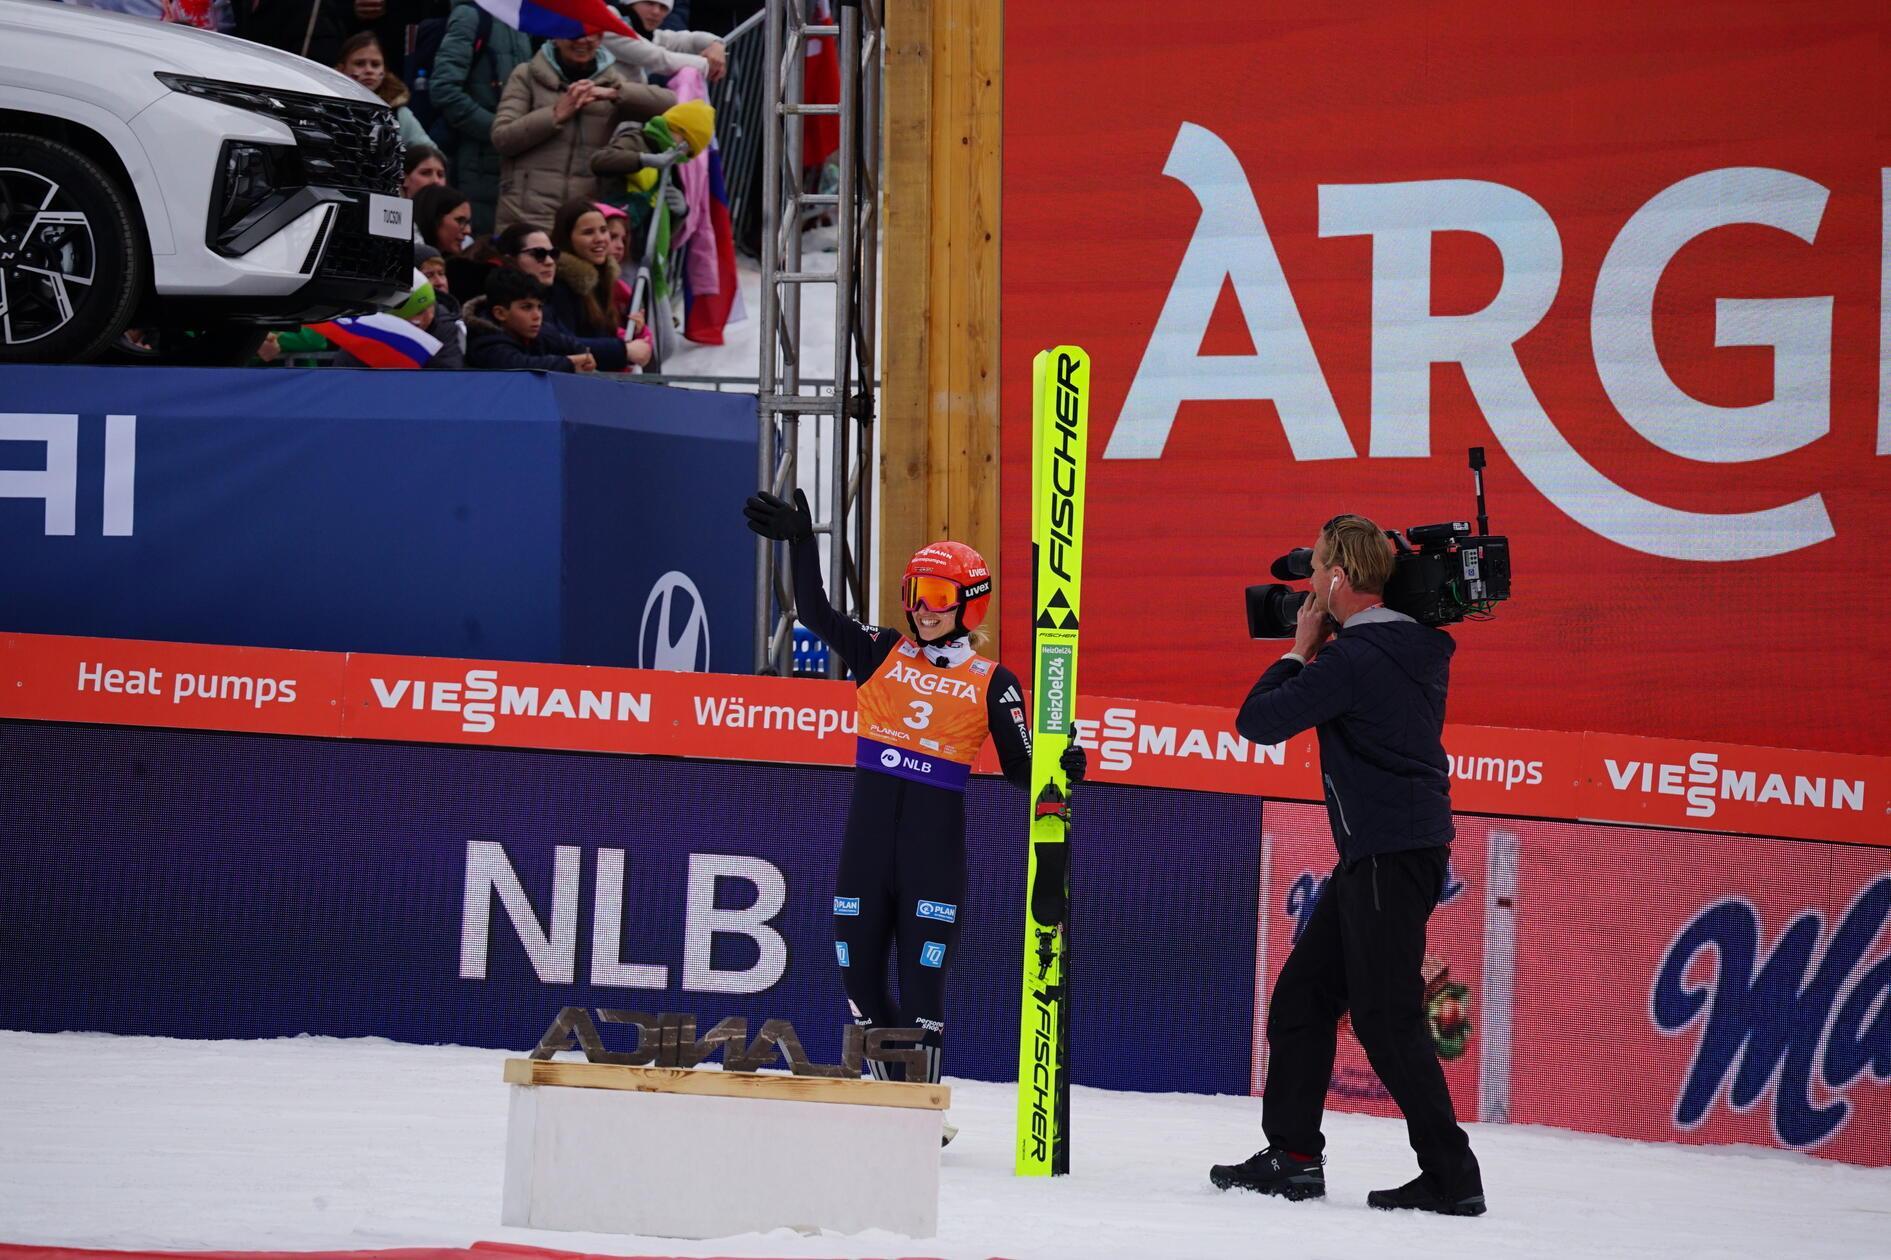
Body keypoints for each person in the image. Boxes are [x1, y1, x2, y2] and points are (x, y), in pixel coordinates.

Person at [741, 490, 1086, 1122]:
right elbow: (815, 612)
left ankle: (917, 1106)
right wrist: (802, 542)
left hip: (933, 855)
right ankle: (896, 1097)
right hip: (867, 850)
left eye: (936, 597)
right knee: (860, 984)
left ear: (968, 603)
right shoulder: (882, 650)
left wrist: (1061, 767)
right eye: (915, 592)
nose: (922, 609)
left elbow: (1023, 770)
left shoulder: (993, 682)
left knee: (923, 988)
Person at [1211, 514, 1485, 1217]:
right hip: (1386, 851)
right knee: (1303, 1000)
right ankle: (1293, 1157)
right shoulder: (1411, 643)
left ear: (1336, 578)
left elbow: (1257, 721)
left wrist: (1299, 650)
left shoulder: (1352, 661)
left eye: (1315, 576)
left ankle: (1452, 1176)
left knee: (1385, 1018)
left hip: (1387, 854)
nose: (1307, 589)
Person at [489, 31, 675, 233]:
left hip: (583, 223)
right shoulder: (526, 74)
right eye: (574, 32)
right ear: (557, 34)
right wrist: (555, 114)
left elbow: (673, 105)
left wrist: (615, 93)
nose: (583, 40)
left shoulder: (614, 83)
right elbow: (502, 138)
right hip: (525, 216)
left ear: (602, 37)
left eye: (592, 33)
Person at [428, 0, 535, 236]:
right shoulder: (471, 16)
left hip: (511, 162)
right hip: (475, 163)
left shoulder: (520, 19)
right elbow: (444, 89)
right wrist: (499, 132)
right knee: (476, 243)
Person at [547, 198, 645, 369]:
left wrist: (630, 327)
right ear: (567, 239)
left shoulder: (602, 277)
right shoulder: (558, 284)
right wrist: (624, 350)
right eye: (588, 232)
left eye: (603, 230)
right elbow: (562, 344)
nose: (600, 239)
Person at [464, 266, 598, 372]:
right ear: (500, 313)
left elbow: (572, 345)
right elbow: (520, 366)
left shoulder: (540, 331)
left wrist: (585, 356)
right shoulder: (485, 342)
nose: (537, 315)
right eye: (527, 307)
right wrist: (568, 363)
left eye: (539, 307)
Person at [335, 31, 431, 148]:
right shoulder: (326, 107)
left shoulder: (397, 114)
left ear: (384, 71)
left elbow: (429, 155)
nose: (369, 70)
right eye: (359, 63)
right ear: (341, 69)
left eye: (375, 64)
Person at [602, 0, 727, 86]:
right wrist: (707, 64)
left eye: (663, 7)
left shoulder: (647, 33)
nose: (656, 12)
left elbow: (684, 39)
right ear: (631, 3)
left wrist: (716, 44)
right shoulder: (608, 21)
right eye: (649, 3)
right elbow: (658, 59)